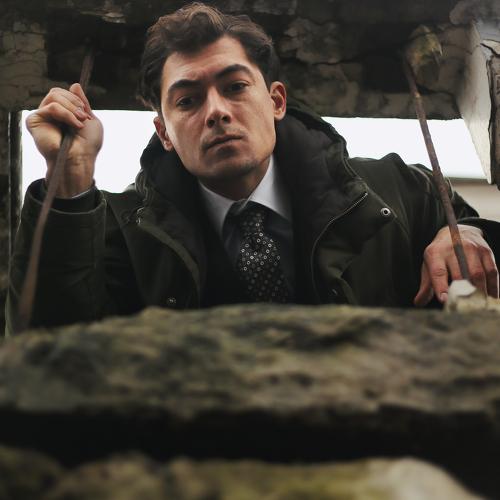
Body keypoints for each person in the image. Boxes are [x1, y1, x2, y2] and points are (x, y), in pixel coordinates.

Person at [5, 3, 499, 334]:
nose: (217, 111)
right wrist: (70, 179)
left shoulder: (394, 190)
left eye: (235, 87)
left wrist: (469, 234)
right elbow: (47, 345)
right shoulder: (119, 232)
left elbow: (477, 237)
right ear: (164, 133)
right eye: (188, 100)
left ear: (276, 101)